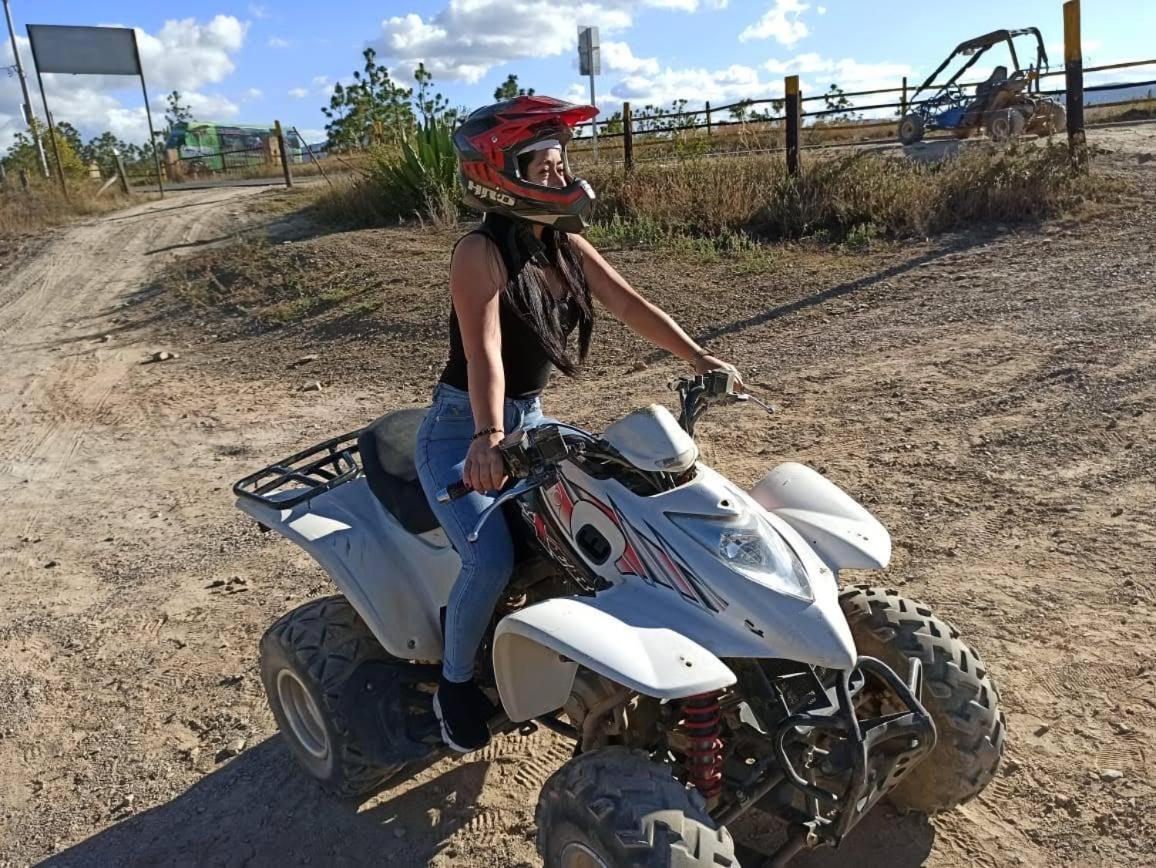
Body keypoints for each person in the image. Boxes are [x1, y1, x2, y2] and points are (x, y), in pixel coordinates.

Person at [415, 95, 742, 753]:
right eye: (543, 166)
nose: (562, 177)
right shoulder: (478, 253)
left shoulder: (563, 244)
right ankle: (453, 688)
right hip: (464, 431)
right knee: (491, 557)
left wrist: (700, 357)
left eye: (562, 162)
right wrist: (487, 438)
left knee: (619, 506)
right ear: (499, 173)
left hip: (528, 423)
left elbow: (631, 305)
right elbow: (486, 355)